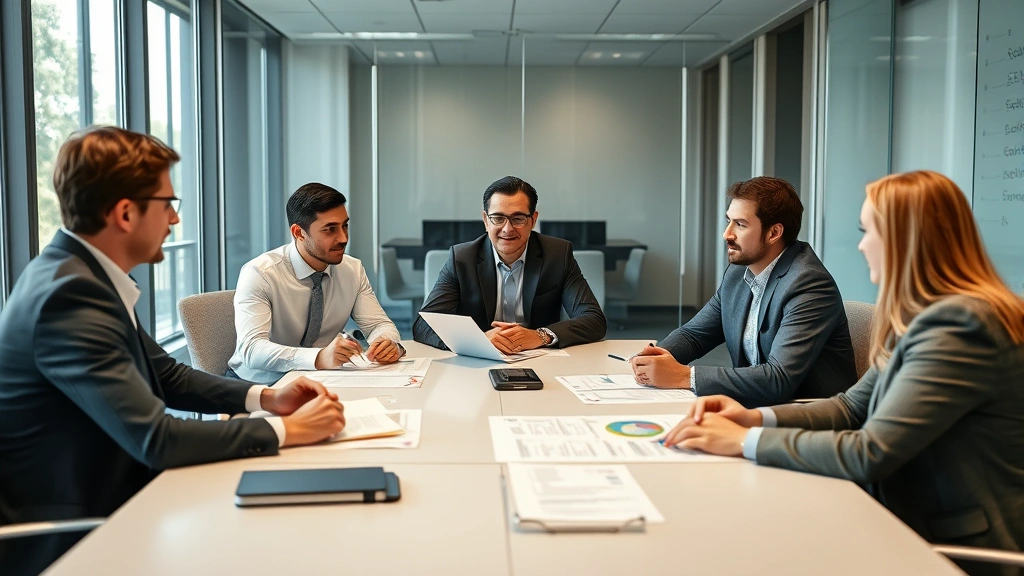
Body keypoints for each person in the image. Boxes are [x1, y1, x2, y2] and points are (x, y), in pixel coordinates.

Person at [0, 127, 347, 576]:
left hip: (123, 496)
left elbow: (166, 375)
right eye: (167, 204)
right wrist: (288, 430)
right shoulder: (69, 296)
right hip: (79, 530)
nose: (175, 220)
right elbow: (156, 440)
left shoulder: (82, 276)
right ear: (126, 213)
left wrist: (266, 398)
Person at [663, 170, 1024, 575]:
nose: (861, 245)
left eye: (868, 231)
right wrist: (753, 417)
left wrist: (744, 440)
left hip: (949, 543)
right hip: (896, 509)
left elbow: (870, 453)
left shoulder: (962, 326)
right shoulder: (922, 316)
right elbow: (850, 407)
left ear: (906, 239)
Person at [631, 176, 856, 407]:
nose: (727, 234)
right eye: (729, 221)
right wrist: (655, 357)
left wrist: (683, 376)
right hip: (756, 406)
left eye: (740, 224)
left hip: (806, 412)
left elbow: (778, 379)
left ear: (773, 233)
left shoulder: (809, 284)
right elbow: (694, 335)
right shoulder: (738, 273)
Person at [227, 183, 403, 383]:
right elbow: (252, 349)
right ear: (299, 233)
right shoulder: (260, 273)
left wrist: (386, 342)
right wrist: (318, 357)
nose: (343, 238)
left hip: (321, 378)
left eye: (345, 226)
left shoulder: (353, 269)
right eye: (330, 230)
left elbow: (378, 324)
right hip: (259, 383)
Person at [413, 176, 606, 352]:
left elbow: (593, 319)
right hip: (479, 358)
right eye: (498, 218)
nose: (507, 229)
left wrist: (541, 336)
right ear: (485, 220)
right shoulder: (462, 258)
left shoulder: (557, 255)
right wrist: (479, 339)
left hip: (540, 356)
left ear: (533, 220)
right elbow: (424, 325)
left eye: (518, 219)